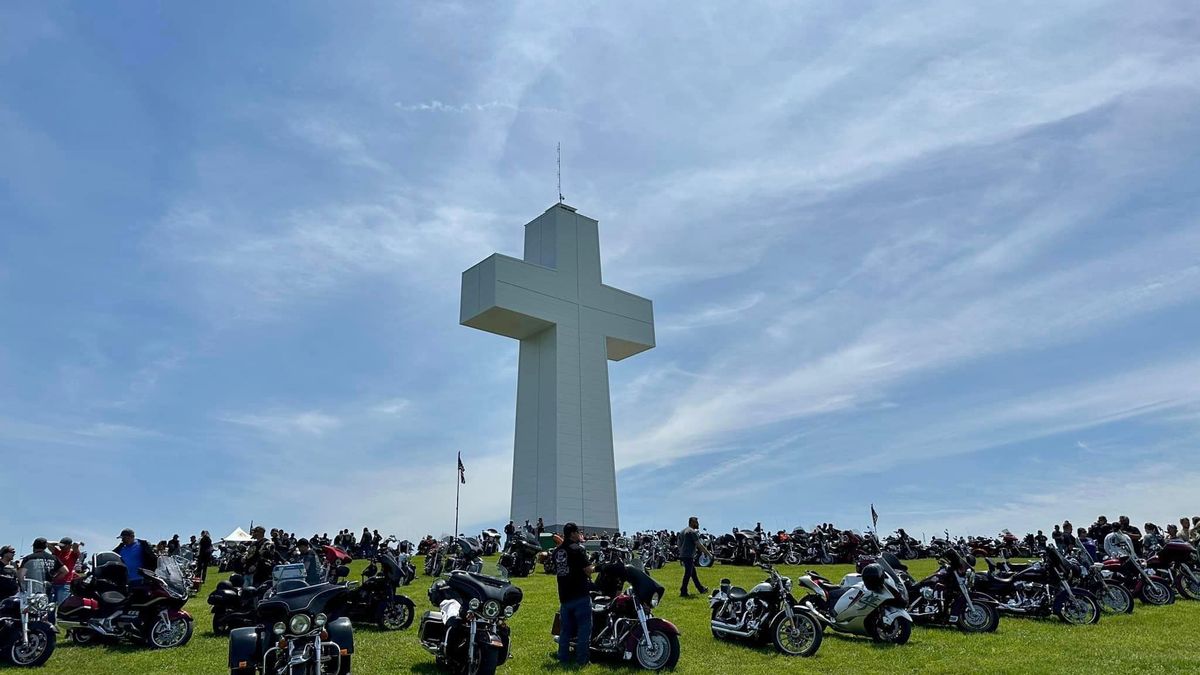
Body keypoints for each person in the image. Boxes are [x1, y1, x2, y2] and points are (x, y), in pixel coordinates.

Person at [553, 522, 593, 666]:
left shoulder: (557, 552)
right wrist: (595, 567)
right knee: (584, 629)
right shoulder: (578, 549)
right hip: (580, 594)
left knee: (565, 630)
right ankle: (582, 660)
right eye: (578, 532)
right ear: (573, 533)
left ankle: (562, 657)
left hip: (564, 595)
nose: (579, 535)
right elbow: (588, 570)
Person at [679, 516, 710, 597]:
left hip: (684, 555)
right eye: (696, 522)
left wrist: (681, 553)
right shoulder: (692, 532)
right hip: (688, 555)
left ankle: (701, 589)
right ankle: (683, 591)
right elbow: (699, 544)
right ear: (692, 522)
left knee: (693, 574)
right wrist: (708, 553)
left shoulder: (683, 531)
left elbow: (679, 543)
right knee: (688, 573)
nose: (698, 524)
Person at [48, 537, 81, 604]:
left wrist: (76, 544)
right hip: (54, 582)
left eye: (63, 546)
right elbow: (47, 544)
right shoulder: (58, 552)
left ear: (69, 546)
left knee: (62, 605)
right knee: (50, 606)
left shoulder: (72, 554)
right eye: (60, 546)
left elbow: (75, 547)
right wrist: (58, 543)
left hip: (65, 583)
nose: (61, 547)